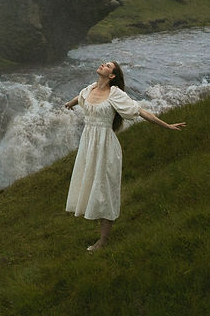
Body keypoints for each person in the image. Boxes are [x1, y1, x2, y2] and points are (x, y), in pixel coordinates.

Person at [64, 60, 184, 251]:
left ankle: (103, 241)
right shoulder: (89, 89)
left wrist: (167, 125)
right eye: (105, 63)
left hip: (106, 146)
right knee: (90, 184)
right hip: (88, 145)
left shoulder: (116, 94)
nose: (103, 65)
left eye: (108, 66)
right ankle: (97, 225)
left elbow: (140, 111)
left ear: (112, 76)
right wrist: (69, 104)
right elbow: (80, 97)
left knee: (105, 189)